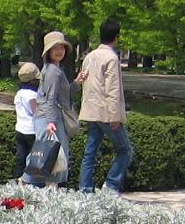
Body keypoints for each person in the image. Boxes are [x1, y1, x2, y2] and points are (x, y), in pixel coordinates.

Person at [76, 18, 134, 193]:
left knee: (90, 152)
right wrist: (115, 116)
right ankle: (111, 185)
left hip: (90, 110)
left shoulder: (90, 57)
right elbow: (112, 89)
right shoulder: (111, 58)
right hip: (106, 112)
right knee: (125, 150)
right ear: (116, 37)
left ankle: (85, 188)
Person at [29, 30, 77, 188]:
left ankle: (35, 187)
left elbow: (62, 94)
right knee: (52, 156)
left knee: (44, 156)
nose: (59, 51)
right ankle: (40, 188)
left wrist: (78, 82)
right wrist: (50, 122)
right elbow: (50, 98)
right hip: (51, 119)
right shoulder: (53, 71)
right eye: (55, 48)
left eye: (61, 47)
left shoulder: (53, 69)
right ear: (48, 51)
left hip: (48, 117)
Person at [13, 61, 40, 181]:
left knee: (21, 157)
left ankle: (18, 178)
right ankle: (30, 181)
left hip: (20, 129)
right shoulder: (33, 95)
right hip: (31, 130)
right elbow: (37, 113)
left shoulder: (19, 93)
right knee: (33, 159)